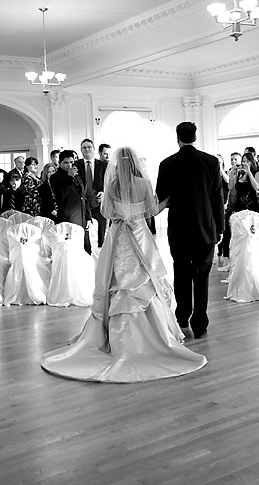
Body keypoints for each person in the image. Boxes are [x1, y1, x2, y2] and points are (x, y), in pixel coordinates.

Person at [41, 146, 207, 383]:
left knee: (116, 281)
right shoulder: (143, 184)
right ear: (136, 164)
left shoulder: (112, 186)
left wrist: (120, 214)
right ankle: (155, 335)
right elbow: (151, 210)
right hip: (140, 235)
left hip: (119, 236)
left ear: (117, 166)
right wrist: (167, 201)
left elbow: (106, 212)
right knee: (145, 281)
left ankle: (113, 337)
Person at [156, 122, 223, 339]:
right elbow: (217, 198)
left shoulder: (167, 164)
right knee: (202, 277)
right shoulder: (211, 162)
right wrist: (219, 228)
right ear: (195, 136)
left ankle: (182, 317)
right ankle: (200, 323)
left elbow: (161, 196)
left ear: (178, 137)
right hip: (206, 227)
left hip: (179, 229)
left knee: (181, 274)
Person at [51, 150, 92, 253]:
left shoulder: (77, 176)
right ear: (60, 163)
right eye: (66, 162)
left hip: (81, 217)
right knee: (71, 250)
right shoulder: (55, 177)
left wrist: (88, 216)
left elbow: (84, 197)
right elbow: (61, 196)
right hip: (69, 218)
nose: (69, 165)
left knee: (86, 249)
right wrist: (69, 177)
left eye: (71, 162)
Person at [76, 139, 108, 249]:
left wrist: (104, 193)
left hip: (99, 201)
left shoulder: (103, 165)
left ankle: (102, 248)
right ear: (81, 150)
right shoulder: (76, 165)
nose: (87, 149)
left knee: (102, 224)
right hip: (83, 203)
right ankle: (87, 250)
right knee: (85, 227)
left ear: (94, 149)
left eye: (89, 147)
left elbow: (108, 183)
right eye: (84, 147)